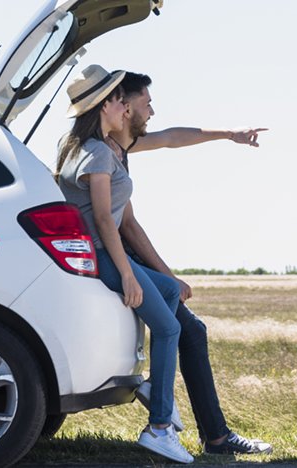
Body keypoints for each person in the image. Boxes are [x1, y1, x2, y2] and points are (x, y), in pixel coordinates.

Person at [112, 70, 273, 455]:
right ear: (125, 106)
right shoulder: (100, 151)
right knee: (189, 330)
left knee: (190, 329)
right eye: (147, 103)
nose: (152, 111)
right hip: (119, 259)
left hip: (129, 256)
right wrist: (169, 278)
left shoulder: (121, 146)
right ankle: (211, 435)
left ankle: (208, 429)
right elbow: (126, 229)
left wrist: (228, 133)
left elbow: (172, 138)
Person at [54, 64, 192, 464]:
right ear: (105, 106)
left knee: (168, 291)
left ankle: (154, 390)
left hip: (99, 250)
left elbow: (166, 141)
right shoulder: (97, 153)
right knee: (169, 328)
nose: (125, 109)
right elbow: (102, 220)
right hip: (99, 254)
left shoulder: (82, 144)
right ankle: (160, 429)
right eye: (119, 101)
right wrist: (128, 274)